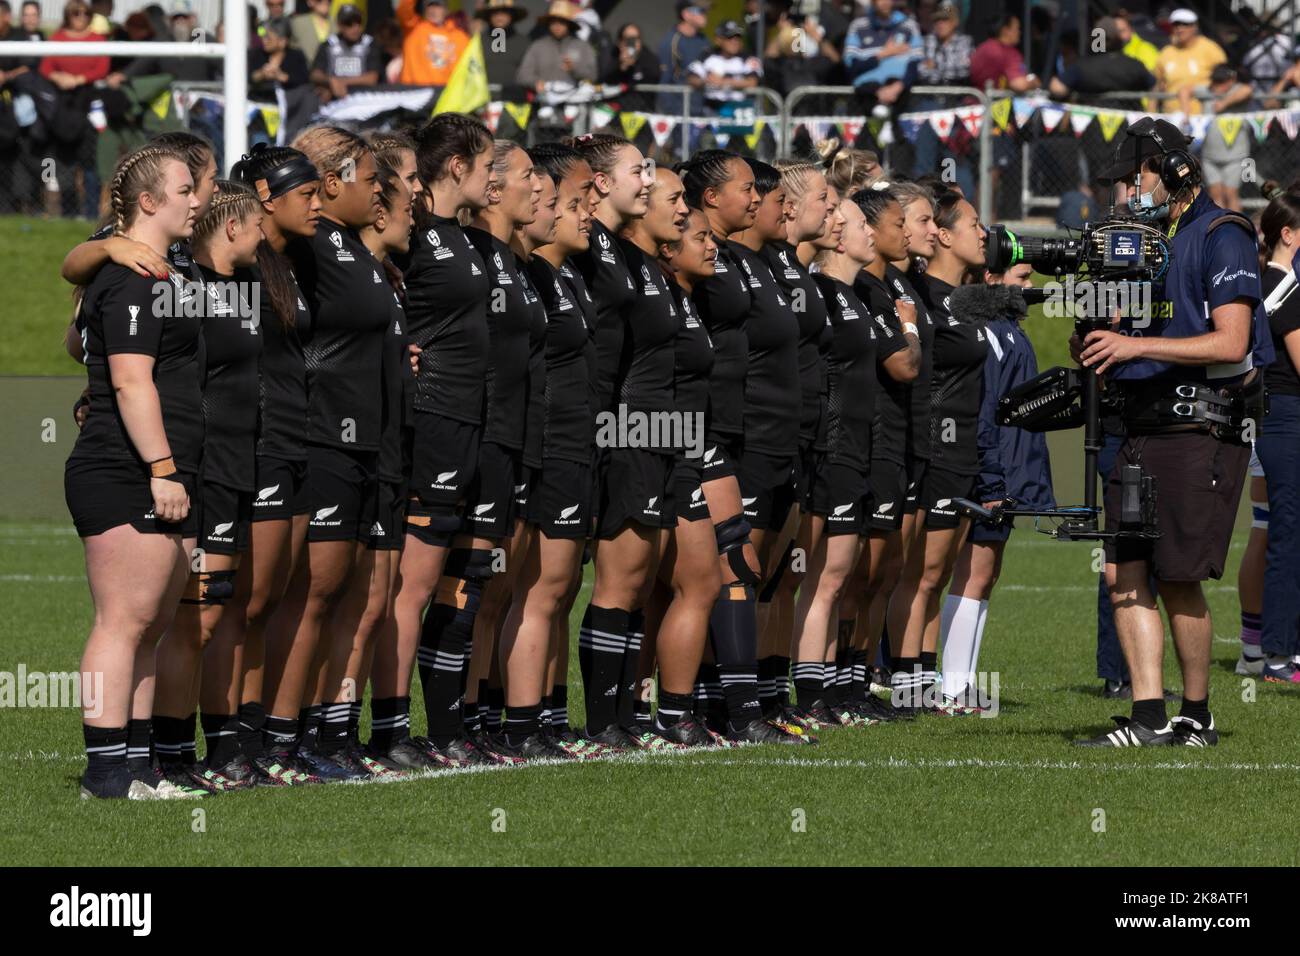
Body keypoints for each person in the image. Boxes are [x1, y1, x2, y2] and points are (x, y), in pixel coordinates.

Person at [1074, 118, 1272, 747]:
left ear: (1176, 172)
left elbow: (1232, 339)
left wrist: (1134, 345)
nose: (1129, 190)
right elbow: (1116, 332)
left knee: (1179, 573)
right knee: (1124, 570)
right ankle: (1146, 716)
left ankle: (1196, 714)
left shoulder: (1223, 234)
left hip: (1198, 424)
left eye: (1138, 177)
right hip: (1137, 422)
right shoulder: (1136, 241)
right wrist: (1095, 336)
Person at [65, 143, 202, 799]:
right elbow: (128, 380)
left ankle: (138, 770)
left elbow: (76, 337)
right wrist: (163, 467)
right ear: (148, 202)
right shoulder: (130, 277)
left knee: (151, 625)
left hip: (163, 466)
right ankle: (105, 775)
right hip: (126, 466)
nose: (196, 198)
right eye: (184, 189)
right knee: (122, 622)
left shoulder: (166, 273)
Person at [260, 126, 390, 780]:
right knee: (305, 595)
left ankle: (311, 733)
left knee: (340, 597)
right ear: (329, 181)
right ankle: (275, 741)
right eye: (369, 178)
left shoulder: (344, 245)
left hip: (363, 439)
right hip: (319, 437)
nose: (381, 191)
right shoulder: (302, 242)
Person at [676, 149, 809, 744]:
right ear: (709, 196)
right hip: (719, 431)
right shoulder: (697, 254)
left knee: (742, 572)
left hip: (744, 431)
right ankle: (722, 711)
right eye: (747, 189)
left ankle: (728, 707)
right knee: (729, 567)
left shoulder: (743, 258)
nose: (757, 198)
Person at [388, 113, 496, 769]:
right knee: (411, 585)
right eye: (486, 164)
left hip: (467, 422)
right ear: (457, 164)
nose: (494, 176)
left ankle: (446, 729)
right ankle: (389, 731)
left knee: (460, 581)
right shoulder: (416, 227)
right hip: (427, 420)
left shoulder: (461, 234)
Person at [150, 181, 266, 793]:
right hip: (205, 466)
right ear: (229, 229)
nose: (262, 235)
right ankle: (169, 754)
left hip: (240, 461)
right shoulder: (185, 288)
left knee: (220, 611)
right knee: (195, 618)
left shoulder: (243, 288)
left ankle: (214, 750)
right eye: (254, 224)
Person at [569, 134, 680, 750]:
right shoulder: (589, 247)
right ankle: (601, 720)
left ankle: (624, 716)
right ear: (602, 183)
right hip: (609, 426)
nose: (649, 179)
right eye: (639, 170)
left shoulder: (633, 255)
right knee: (615, 579)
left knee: (636, 578)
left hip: (644, 429)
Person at [222, 143, 324, 785]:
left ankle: (256, 743)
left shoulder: (294, 264)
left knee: (276, 597)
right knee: (249, 602)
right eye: (305, 193)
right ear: (265, 194)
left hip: (296, 441)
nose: (317, 203)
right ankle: (219, 743)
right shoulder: (234, 262)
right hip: (253, 444)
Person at [791, 195, 884, 725]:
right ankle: (806, 694)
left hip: (855, 445)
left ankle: (824, 689)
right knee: (816, 577)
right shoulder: (821, 292)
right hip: (828, 448)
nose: (867, 232)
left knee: (839, 575)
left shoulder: (856, 296)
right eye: (856, 223)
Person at [942, 264, 1053, 707]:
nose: (1030, 287)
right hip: (988, 472)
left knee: (987, 575)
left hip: (1004, 470)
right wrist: (992, 477)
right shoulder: (985, 330)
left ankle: (963, 682)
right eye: (1022, 277)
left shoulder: (1007, 327)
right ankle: (949, 686)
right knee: (971, 573)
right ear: (991, 278)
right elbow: (984, 409)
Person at [654, 203, 730, 746]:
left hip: (685, 448)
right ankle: (665, 717)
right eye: (699, 237)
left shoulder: (685, 301)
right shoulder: (658, 300)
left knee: (691, 584)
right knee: (695, 582)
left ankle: (668, 714)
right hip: (662, 451)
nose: (712, 246)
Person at [1254, 186, 1300, 684]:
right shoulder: (1283, 288)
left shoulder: (1261, 283)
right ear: (1287, 235)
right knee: (1289, 533)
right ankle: (1278, 653)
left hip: (1273, 414)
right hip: (1287, 416)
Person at [40, 0, 108, 219]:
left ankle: (90, 212)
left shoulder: (97, 39)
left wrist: (79, 78)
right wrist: (58, 77)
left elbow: (102, 67)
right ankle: (68, 212)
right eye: (75, 13)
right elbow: (46, 66)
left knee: (89, 159)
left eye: (85, 13)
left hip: (88, 102)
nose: (80, 17)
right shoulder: (57, 38)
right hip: (63, 104)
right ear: (67, 15)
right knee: (64, 157)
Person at [843, 0, 922, 110]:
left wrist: (897, 87)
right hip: (867, 94)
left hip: (899, 93)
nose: (885, 2)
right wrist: (884, 54)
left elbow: (916, 64)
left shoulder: (909, 25)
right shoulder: (857, 26)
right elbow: (852, 66)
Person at [1197, 65, 1253, 213]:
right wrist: (1186, 111)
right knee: (1216, 194)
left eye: (1222, 81)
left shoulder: (1238, 90)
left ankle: (1238, 230)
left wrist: (1224, 103)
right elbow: (1184, 89)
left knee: (1230, 193)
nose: (1218, 85)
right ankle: (1221, 228)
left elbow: (1248, 90)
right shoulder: (1207, 90)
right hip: (1210, 156)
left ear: (1232, 80)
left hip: (1235, 155)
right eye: (1216, 81)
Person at [1153, 8, 1225, 115]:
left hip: (1202, 119)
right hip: (1171, 119)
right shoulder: (1166, 52)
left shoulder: (1210, 48)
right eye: (1176, 25)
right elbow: (1157, 86)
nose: (1180, 29)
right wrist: (1150, 113)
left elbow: (1225, 80)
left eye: (1185, 24)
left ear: (1195, 26)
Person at [515, 0, 597, 92]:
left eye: (561, 22)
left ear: (569, 24)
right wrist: (536, 82)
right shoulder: (538, 46)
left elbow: (592, 76)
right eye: (553, 22)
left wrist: (573, 69)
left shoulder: (582, 46)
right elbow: (523, 75)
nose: (557, 26)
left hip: (575, 99)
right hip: (545, 99)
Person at [309, 3, 381, 104]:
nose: (355, 28)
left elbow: (372, 78)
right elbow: (315, 74)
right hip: (334, 99)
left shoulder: (369, 44)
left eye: (358, 22)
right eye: (349, 23)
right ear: (339, 25)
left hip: (364, 99)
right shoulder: (329, 44)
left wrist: (340, 82)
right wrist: (330, 81)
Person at [688, 19, 761, 117]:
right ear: (718, 40)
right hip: (711, 109)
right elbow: (691, 78)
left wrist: (722, 82)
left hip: (741, 111)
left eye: (738, 37)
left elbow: (752, 82)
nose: (735, 41)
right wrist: (706, 81)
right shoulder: (706, 55)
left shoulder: (749, 58)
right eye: (729, 37)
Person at [395, 0, 469, 87]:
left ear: (446, 10)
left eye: (438, 6)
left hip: (446, 93)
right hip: (416, 92)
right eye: (429, 6)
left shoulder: (460, 37)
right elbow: (403, 10)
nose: (433, 10)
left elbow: (467, 69)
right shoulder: (413, 29)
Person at [657, 0, 711, 115]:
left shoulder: (704, 40)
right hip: (680, 112)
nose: (705, 15)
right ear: (686, 14)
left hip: (703, 110)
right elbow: (664, 81)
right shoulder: (671, 42)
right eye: (701, 11)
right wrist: (675, 112)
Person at [599, 22, 661, 112]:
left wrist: (634, 65)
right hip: (613, 111)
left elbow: (653, 78)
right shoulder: (611, 55)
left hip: (641, 112)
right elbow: (604, 81)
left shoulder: (648, 58)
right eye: (628, 39)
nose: (632, 43)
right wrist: (622, 67)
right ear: (619, 42)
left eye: (636, 39)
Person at [249, 17, 310, 100]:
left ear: (283, 41)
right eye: (263, 37)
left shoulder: (296, 56)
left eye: (268, 38)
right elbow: (248, 76)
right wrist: (261, 74)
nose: (264, 41)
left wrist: (282, 76)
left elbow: (304, 80)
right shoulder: (257, 54)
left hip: (290, 104)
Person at [477, 0, 530, 90]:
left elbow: (529, 73)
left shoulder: (525, 42)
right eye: (495, 13)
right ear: (489, 16)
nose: (499, 17)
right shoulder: (478, 41)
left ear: (512, 16)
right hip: (483, 96)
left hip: (515, 97)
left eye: (504, 13)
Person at [290, 0, 332, 67]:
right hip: (305, 72)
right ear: (310, 2)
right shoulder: (297, 23)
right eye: (320, 0)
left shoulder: (338, 23)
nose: (325, 2)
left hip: (333, 73)